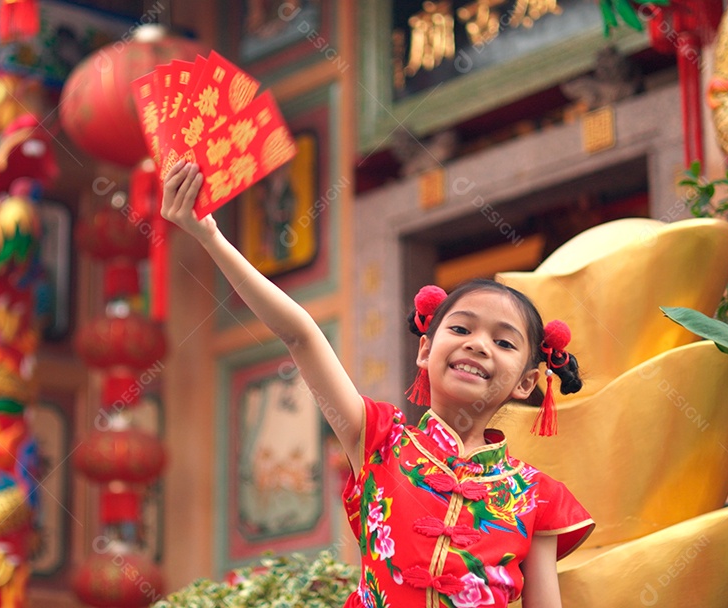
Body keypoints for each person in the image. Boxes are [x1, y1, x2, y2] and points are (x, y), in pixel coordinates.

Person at [161, 161, 595, 608]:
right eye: (461, 329)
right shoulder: (378, 440)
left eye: (503, 342)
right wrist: (210, 236)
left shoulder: (538, 497)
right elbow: (299, 334)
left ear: (526, 382)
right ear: (425, 350)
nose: (478, 345)